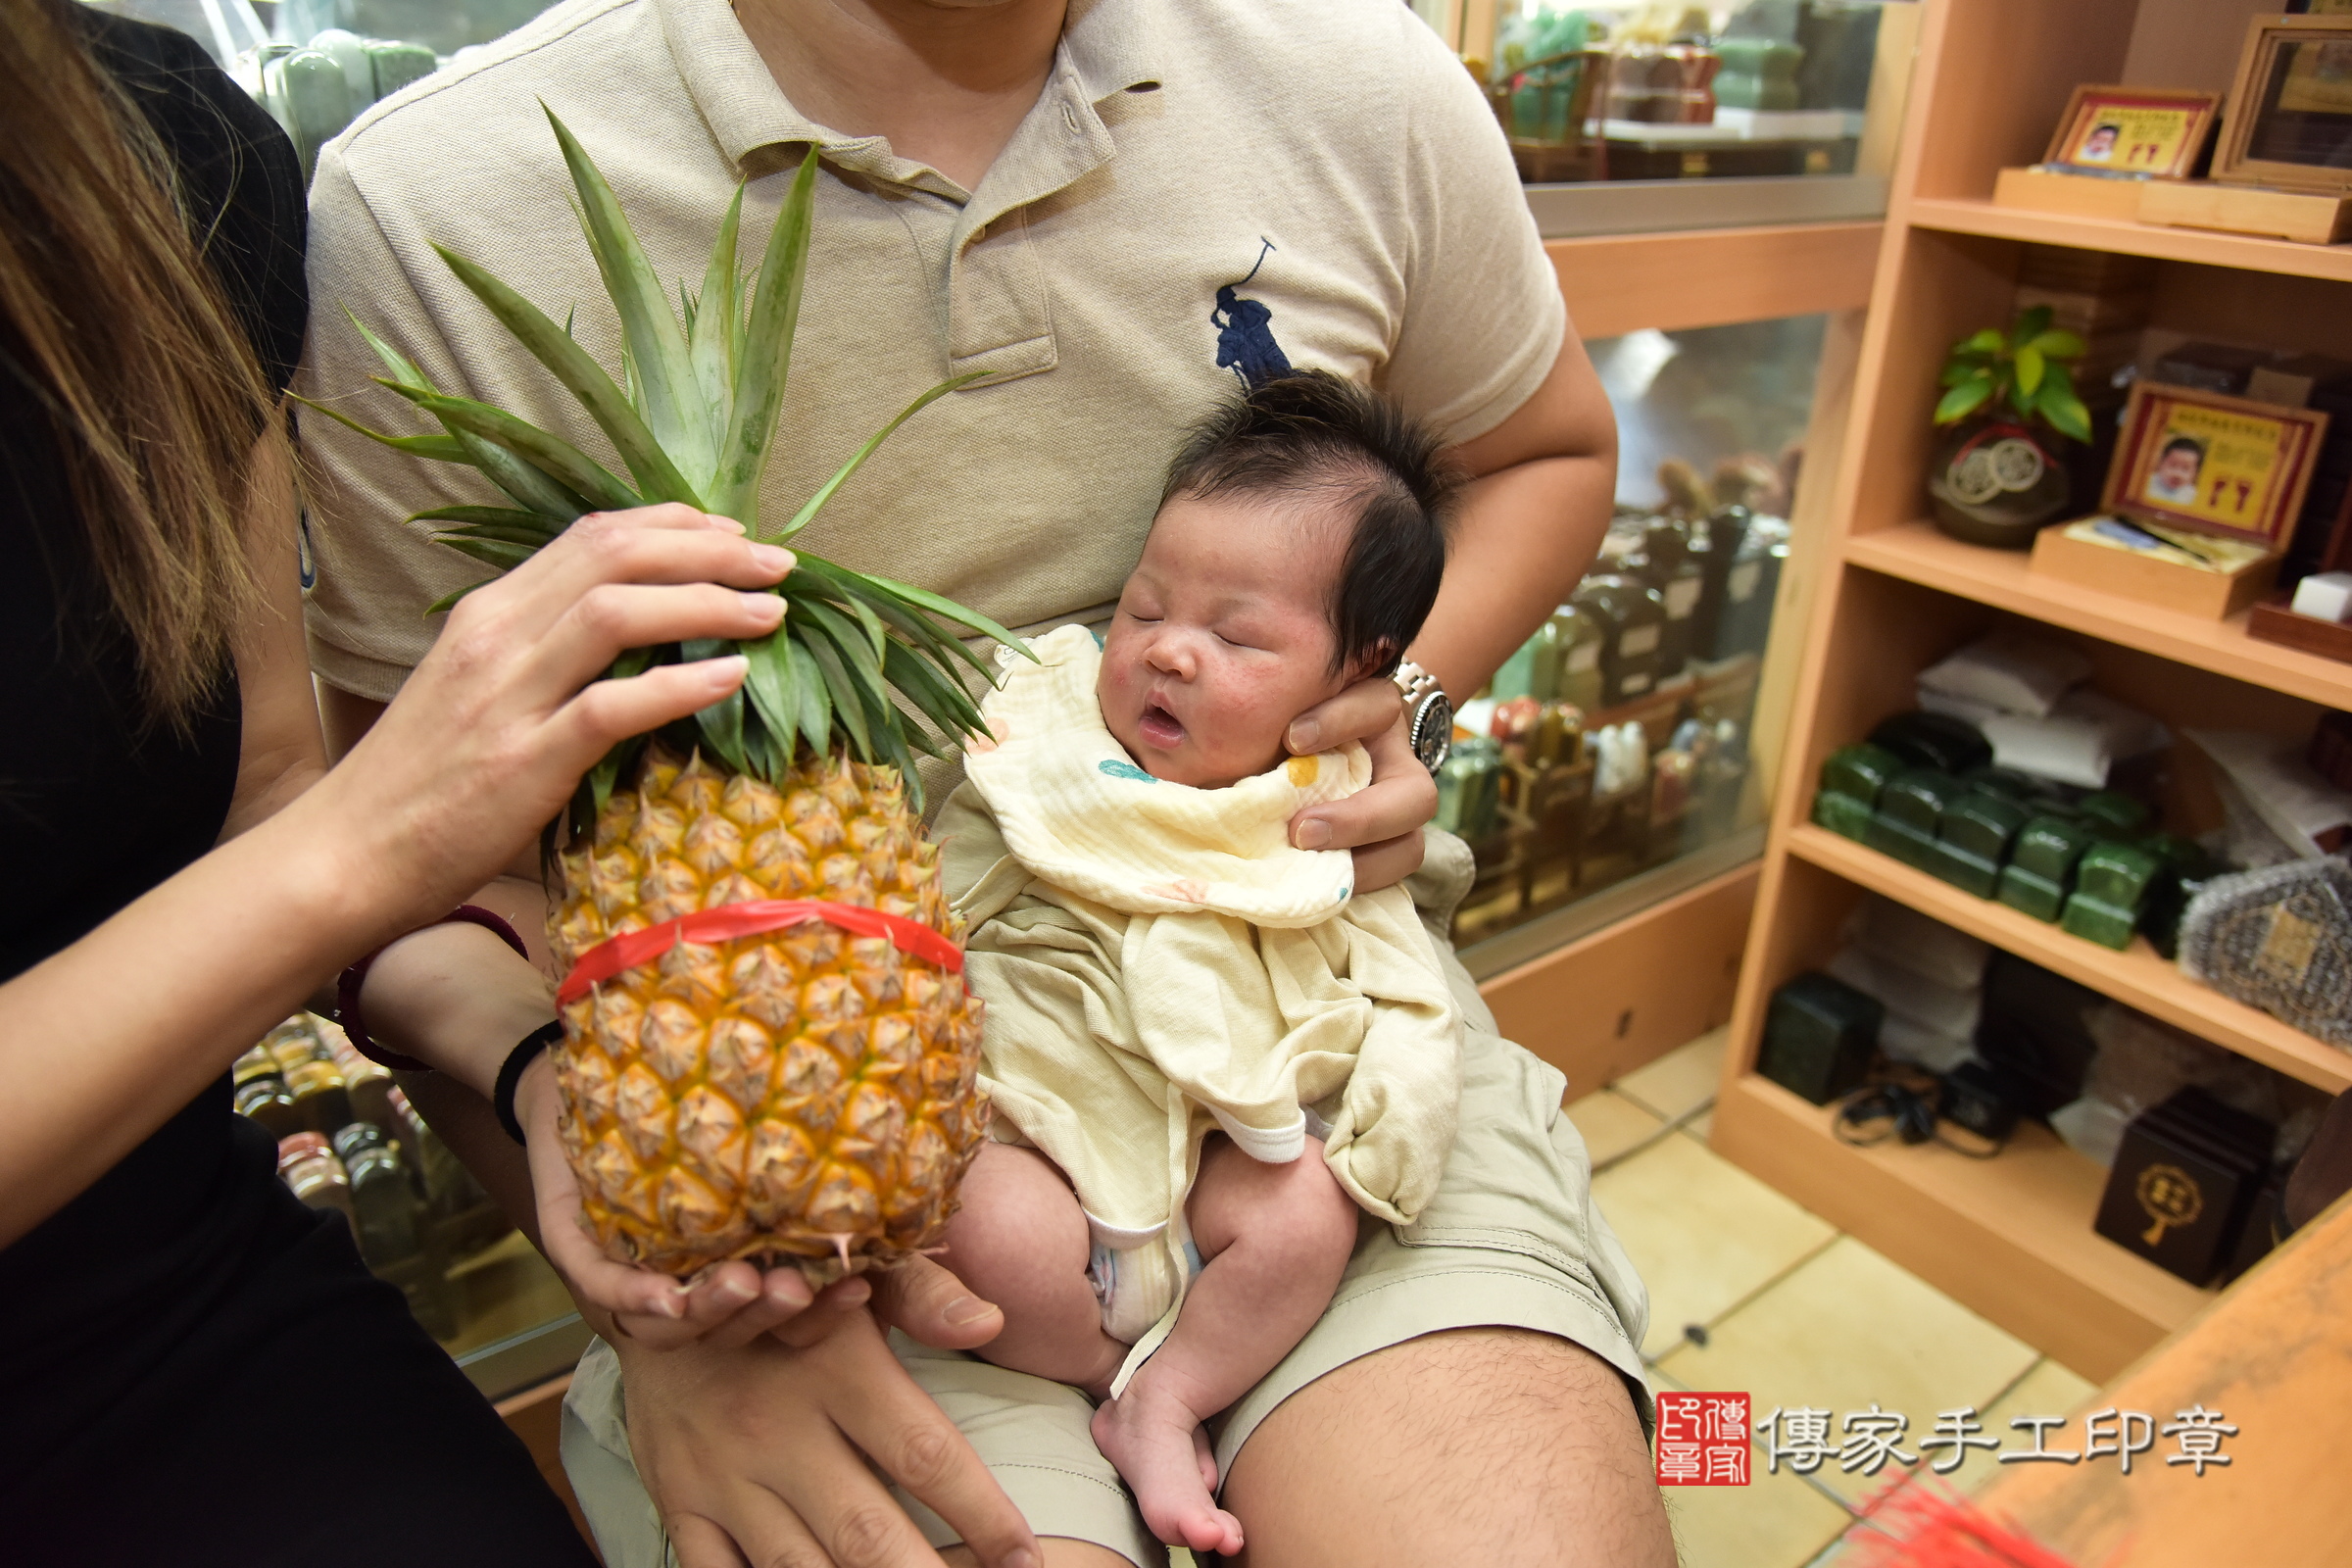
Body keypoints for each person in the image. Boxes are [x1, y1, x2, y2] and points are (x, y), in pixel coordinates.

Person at [296, 0, 1669, 1563]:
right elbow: (404, 858)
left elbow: (1543, 451)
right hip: (815, 1148)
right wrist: (667, 1255)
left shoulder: (1361, 74)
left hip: (1300, 1034)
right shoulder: (439, 197)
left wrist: (1390, 705)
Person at [0, 3, 873, 1563]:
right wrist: (367, 840)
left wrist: (549, 1085)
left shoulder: (137, 145)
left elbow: (267, 788)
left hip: (164, 1290)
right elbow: (320, 847)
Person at [937, 372, 1465, 1556]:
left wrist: (1393, 1123)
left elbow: (1402, 982)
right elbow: (953, 869)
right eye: (1143, 610)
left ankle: (1164, 1395)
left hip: (1236, 1130)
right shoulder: (1053, 741)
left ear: (1353, 673)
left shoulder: (1323, 812)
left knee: (1308, 1216)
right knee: (978, 1222)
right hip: (1036, 1105)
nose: (1169, 651)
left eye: (1234, 637)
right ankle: (1085, 1356)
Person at [2146, 434, 2205, 508]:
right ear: (2161, 463)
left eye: (2185, 469)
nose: (2177, 474)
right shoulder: (2147, 484)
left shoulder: (2193, 496)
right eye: (2172, 465)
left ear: (2195, 473)